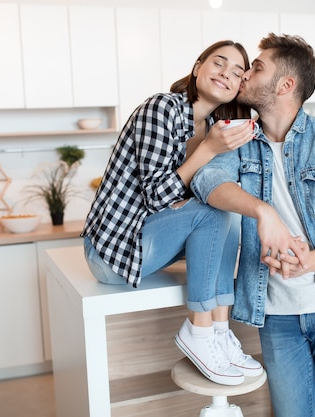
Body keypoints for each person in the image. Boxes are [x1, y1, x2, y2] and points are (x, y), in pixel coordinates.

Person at [191, 33, 315, 416]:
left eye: (256, 68)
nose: (243, 76)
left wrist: (313, 260)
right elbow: (207, 182)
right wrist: (264, 211)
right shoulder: (239, 140)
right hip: (276, 315)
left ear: (286, 85)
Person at [81, 40, 263, 386]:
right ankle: (199, 329)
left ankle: (219, 332)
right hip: (113, 250)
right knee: (212, 212)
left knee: (228, 210)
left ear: (240, 86)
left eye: (237, 72)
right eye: (218, 64)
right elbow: (156, 196)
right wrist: (208, 149)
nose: (226, 74)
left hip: (147, 241)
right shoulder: (161, 108)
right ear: (197, 67)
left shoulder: (213, 124)